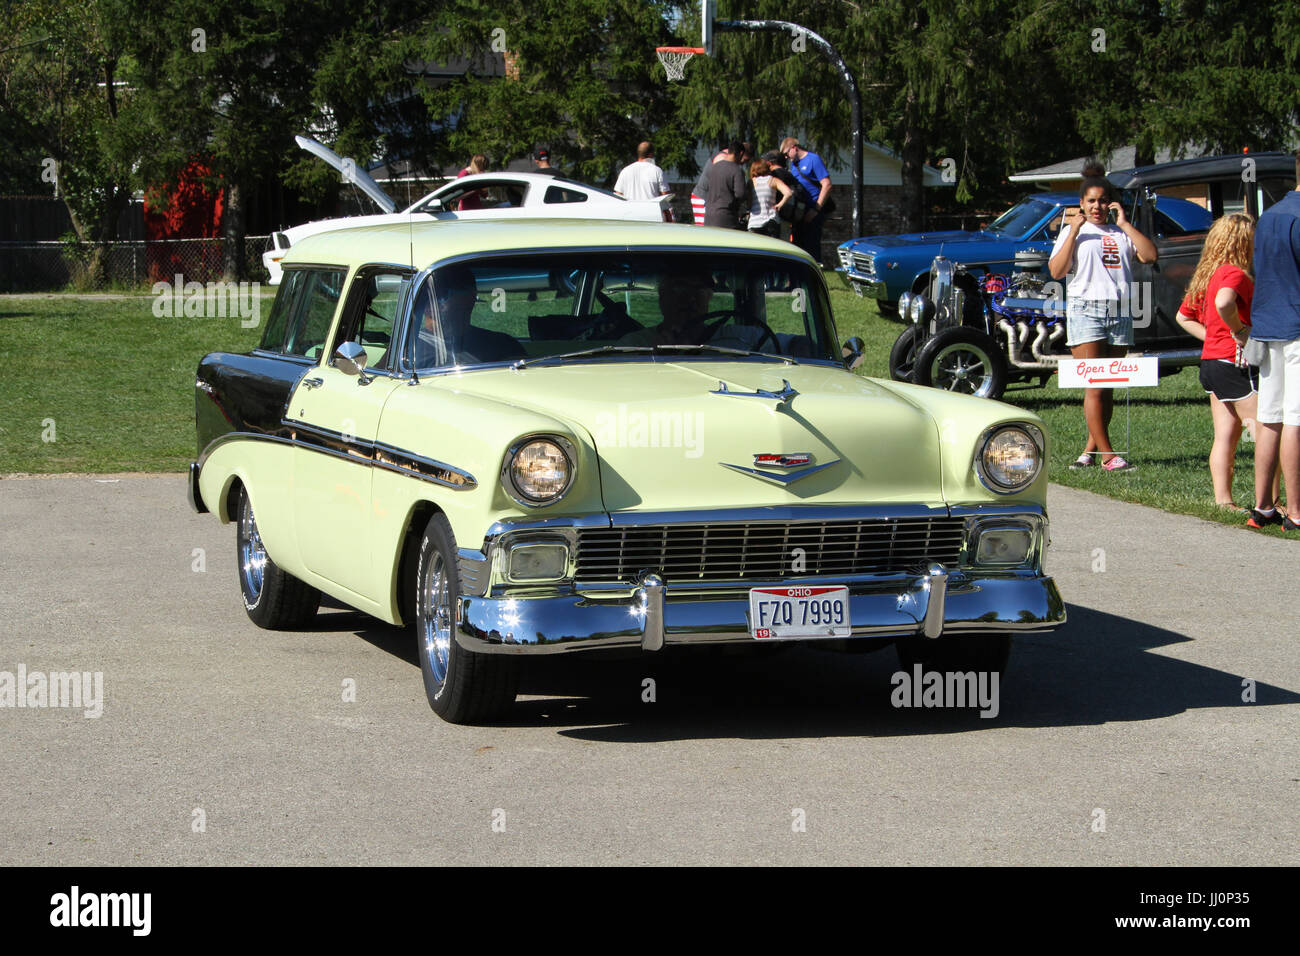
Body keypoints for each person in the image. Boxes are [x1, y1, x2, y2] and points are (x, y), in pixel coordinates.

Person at [1049, 160, 1157, 472]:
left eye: (1102, 201)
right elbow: (1056, 271)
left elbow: (1149, 256)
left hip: (1120, 311)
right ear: (1081, 204)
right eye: (1091, 201)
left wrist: (1124, 224)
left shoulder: (1120, 232)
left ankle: (1089, 452)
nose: (1097, 206)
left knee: (1108, 386)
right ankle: (1109, 456)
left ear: (1110, 203)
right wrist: (1073, 231)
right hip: (1087, 310)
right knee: (1095, 386)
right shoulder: (1075, 232)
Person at [1174, 214, 1262, 509]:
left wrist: (1213, 335)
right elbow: (1225, 303)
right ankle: (1270, 502)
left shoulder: (1208, 275)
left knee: (1225, 436)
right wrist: (1238, 331)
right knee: (1265, 433)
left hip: (1211, 363)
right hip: (1234, 364)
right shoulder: (1235, 274)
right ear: (1243, 242)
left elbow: (1183, 317)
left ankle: (1223, 501)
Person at [1245, 148, 1300, 531]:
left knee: (1270, 418)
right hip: (1297, 326)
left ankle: (1263, 505)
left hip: (1268, 325)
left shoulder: (1269, 216)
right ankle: (1296, 512)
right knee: (1296, 419)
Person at [411, 265, 524, 367]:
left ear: (472, 297)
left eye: (444, 295)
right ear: (422, 303)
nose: (437, 303)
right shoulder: (412, 352)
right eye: (438, 295)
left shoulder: (503, 344)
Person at [780, 136, 832, 261]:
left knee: (812, 246)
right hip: (800, 211)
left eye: (787, 154)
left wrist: (816, 209)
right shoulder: (794, 165)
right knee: (799, 247)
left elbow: (827, 184)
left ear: (794, 148)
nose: (787, 158)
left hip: (813, 210)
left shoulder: (813, 159)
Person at [702, 141, 748, 229]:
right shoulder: (737, 170)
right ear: (741, 153)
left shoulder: (714, 167)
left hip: (709, 215)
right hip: (726, 217)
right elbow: (740, 194)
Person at [746, 158, 794, 238]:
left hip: (755, 222)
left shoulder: (751, 182)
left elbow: (749, 203)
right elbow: (788, 193)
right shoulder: (773, 180)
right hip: (771, 220)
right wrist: (779, 205)